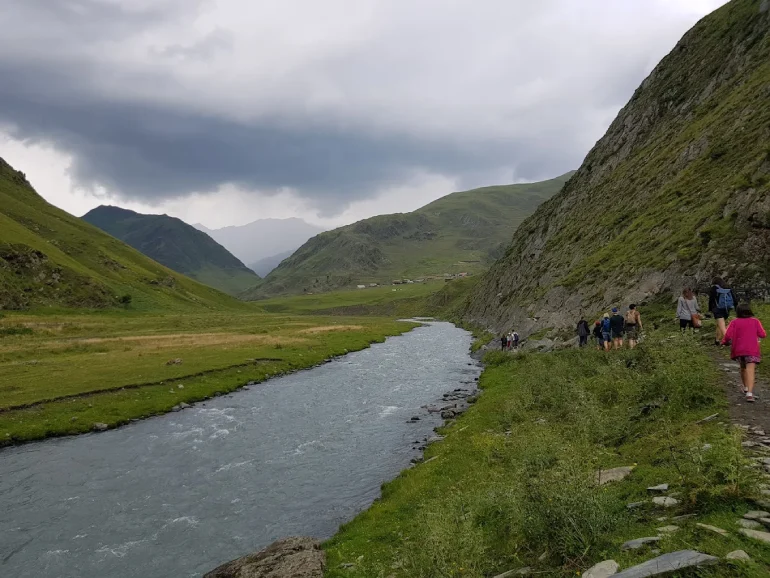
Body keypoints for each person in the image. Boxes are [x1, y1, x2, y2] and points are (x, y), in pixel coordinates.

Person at [721, 303, 766, 402]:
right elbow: (763, 334)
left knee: (743, 368)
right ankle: (750, 393)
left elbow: (728, 335)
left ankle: (745, 387)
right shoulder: (755, 321)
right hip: (752, 350)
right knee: (750, 370)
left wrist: (723, 342)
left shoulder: (734, 322)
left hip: (739, 350)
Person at [709, 277, 738, 346]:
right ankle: (717, 340)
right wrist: (736, 308)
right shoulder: (727, 287)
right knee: (719, 325)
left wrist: (710, 309)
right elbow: (734, 298)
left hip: (718, 309)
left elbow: (711, 299)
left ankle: (729, 340)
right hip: (727, 308)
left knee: (722, 326)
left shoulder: (714, 288)